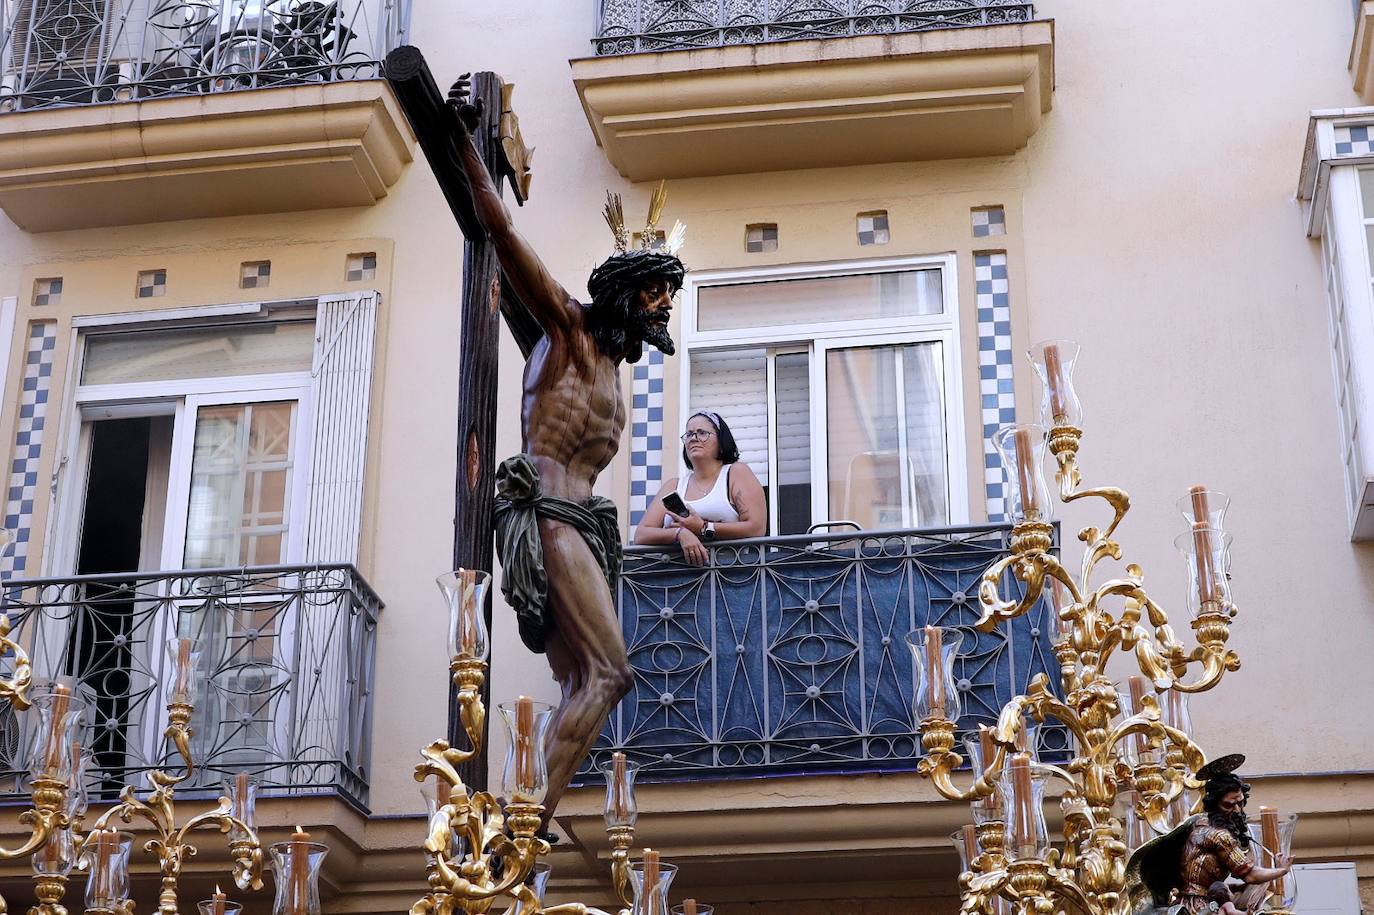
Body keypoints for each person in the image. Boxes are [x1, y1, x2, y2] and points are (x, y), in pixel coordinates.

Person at [449, 78, 685, 829]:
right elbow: (502, 233)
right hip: (548, 515)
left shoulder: (613, 373)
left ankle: (520, 828)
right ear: (622, 290)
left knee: (585, 682)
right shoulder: (566, 328)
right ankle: (523, 823)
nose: (664, 307)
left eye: (668, 296)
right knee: (610, 673)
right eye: (655, 292)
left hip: (585, 528)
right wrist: (465, 142)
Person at [634, 411, 767, 564]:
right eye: (689, 434)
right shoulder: (674, 485)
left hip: (730, 574)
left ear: (721, 441)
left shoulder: (735, 473)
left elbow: (757, 528)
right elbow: (641, 535)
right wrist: (680, 533)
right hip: (675, 575)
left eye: (702, 433)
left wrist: (704, 528)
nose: (693, 438)